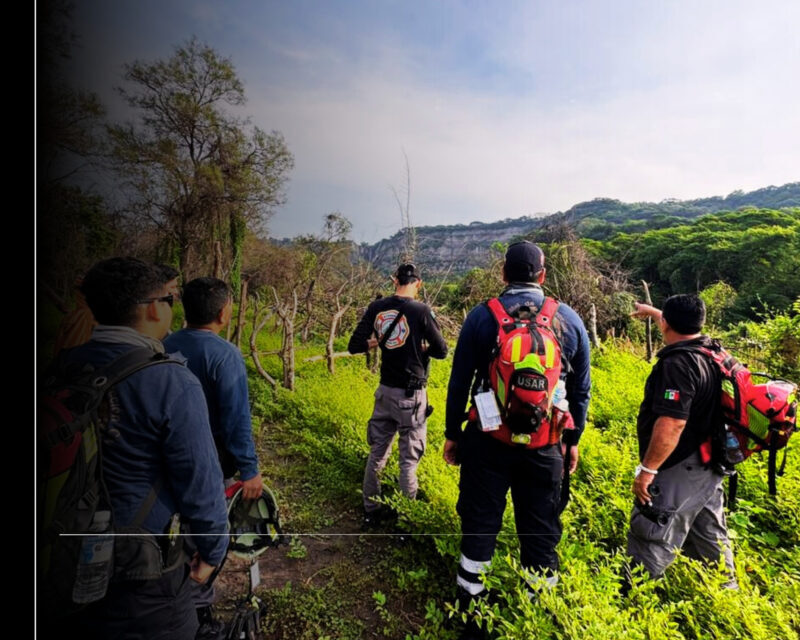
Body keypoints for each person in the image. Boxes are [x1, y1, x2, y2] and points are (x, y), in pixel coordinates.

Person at [57, 257, 229, 639]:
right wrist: (213, 552)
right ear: (154, 307)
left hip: (63, 555)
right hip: (143, 575)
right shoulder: (170, 381)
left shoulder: (61, 364)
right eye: (171, 299)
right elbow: (201, 486)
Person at [444, 241, 591, 636]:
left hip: (487, 440)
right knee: (541, 529)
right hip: (546, 446)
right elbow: (579, 391)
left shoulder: (482, 317)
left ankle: (471, 611)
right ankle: (537, 614)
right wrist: (572, 440)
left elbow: (459, 383)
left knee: (480, 522)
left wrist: (451, 434)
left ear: (504, 274)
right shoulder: (569, 320)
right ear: (542, 275)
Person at [627, 294, 736, 589]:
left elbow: (673, 422)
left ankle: (635, 594)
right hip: (710, 460)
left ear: (666, 324)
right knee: (708, 530)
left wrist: (647, 470)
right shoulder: (713, 351)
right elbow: (678, 321)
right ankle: (727, 592)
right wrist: (653, 312)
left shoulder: (678, 364)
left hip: (681, 463)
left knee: (652, 528)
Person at [347, 263, 448, 526]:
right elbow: (442, 351)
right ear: (419, 283)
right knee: (408, 461)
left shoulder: (376, 307)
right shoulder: (421, 310)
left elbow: (354, 345)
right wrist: (421, 347)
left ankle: (370, 510)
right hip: (411, 397)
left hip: (384, 393)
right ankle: (407, 518)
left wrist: (375, 341)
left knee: (377, 453)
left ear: (395, 280)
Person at [164, 277, 262, 495]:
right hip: (209, 458)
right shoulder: (225, 355)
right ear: (222, 313)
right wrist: (249, 469)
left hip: (166, 451)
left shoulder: (165, 344)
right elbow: (236, 418)